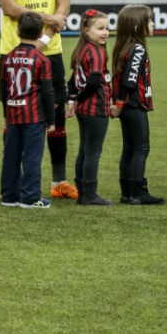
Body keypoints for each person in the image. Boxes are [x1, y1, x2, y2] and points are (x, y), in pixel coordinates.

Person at [0, 0, 77, 200]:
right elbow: (9, 8)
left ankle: (59, 181)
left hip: (50, 51)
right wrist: (48, 20)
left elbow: (63, 8)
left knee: (57, 114)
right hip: (13, 52)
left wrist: (44, 39)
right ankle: (13, 184)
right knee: (13, 117)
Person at [0, 12, 55, 209]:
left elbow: (3, 89)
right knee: (32, 157)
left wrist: (5, 114)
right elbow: (47, 91)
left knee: (11, 155)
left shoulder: (7, 58)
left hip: (13, 115)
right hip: (34, 116)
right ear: (40, 34)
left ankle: (9, 196)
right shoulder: (42, 60)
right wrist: (51, 119)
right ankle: (30, 197)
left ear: (17, 32)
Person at [112, 5, 162, 205]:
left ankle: (127, 192)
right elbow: (129, 79)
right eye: (149, 20)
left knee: (129, 149)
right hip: (133, 104)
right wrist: (119, 103)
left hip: (126, 105)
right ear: (136, 26)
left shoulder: (125, 47)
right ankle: (138, 193)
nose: (153, 24)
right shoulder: (138, 49)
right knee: (141, 148)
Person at [66, 10, 114, 206]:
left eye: (107, 28)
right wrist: (78, 99)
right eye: (100, 28)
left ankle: (82, 192)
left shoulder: (82, 49)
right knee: (93, 152)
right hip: (96, 108)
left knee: (85, 150)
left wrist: (73, 100)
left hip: (84, 111)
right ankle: (90, 194)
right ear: (86, 30)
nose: (105, 32)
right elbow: (94, 81)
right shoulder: (96, 51)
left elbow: (72, 81)